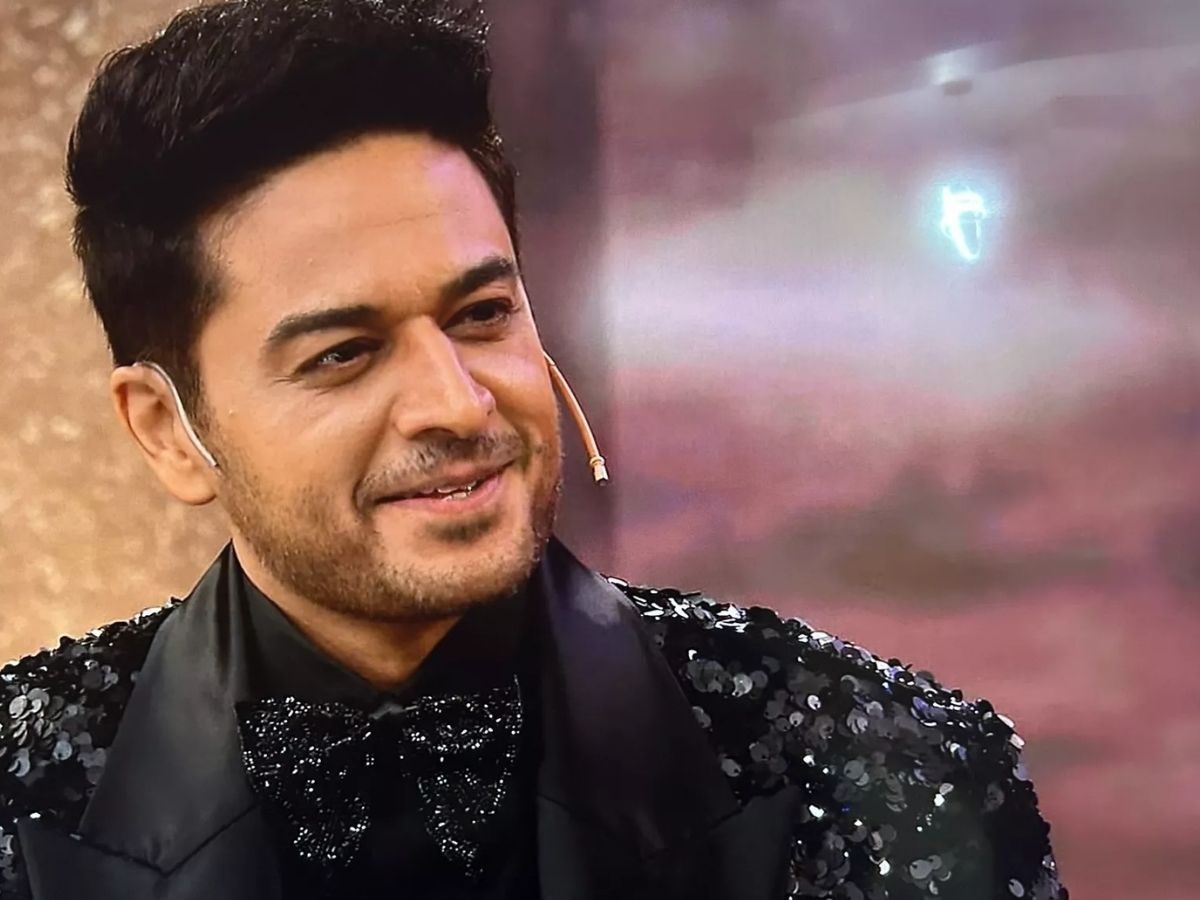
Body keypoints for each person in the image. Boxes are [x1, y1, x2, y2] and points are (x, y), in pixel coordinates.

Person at [0, 1, 1068, 898]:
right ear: (168, 432)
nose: (457, 404)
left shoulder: (887, 765)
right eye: (343, 354)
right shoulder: (22, 793)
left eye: (480, 316)